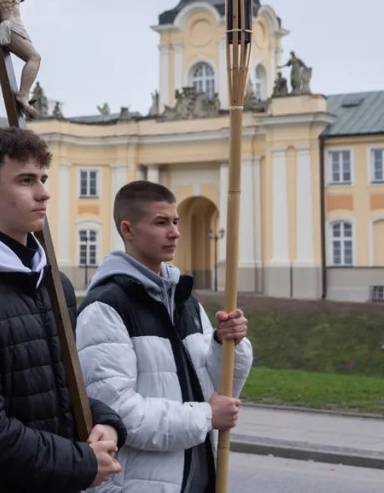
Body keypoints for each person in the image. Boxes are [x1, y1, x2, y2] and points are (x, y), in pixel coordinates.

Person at [0, 126, 126, 492]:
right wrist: (81, 462)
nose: (44, 192)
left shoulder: (54, 283)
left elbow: (59, 387)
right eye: (26, 180)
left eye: (42, 178)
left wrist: (104, 421)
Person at [76, 181, 253, 492]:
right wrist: (206, 416)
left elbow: (218, 387)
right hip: (137, 484)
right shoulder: (106, 307)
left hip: (195, 478)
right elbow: (118, 414)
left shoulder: (185, 301)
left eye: (175, 221)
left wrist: (228, 345)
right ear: (128, 230)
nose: (174, 232)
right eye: (160, 222)